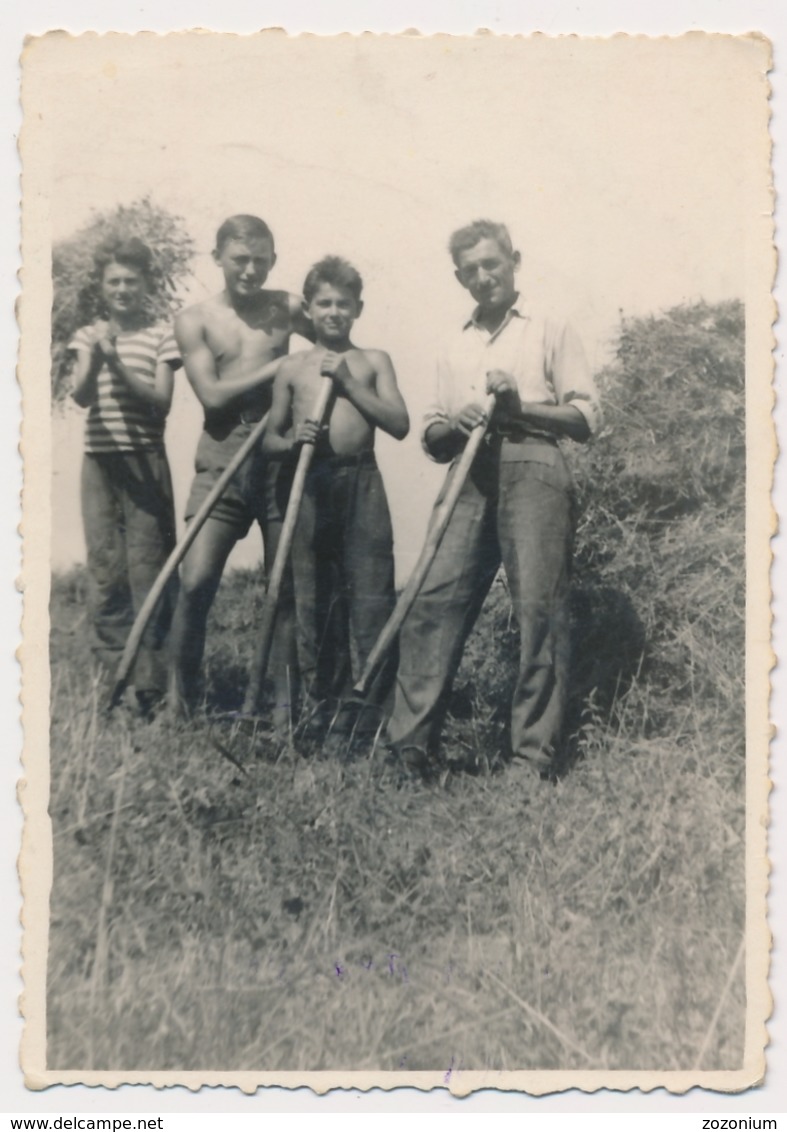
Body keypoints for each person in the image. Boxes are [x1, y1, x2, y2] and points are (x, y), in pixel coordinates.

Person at [386, 219, 602, 780]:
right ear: (459, 277)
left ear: (514, 261)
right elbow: (431, 436)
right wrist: (454, 425)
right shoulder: (453, 340)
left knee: (538, 610)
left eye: (493, 264)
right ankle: (409, 748)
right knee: (431, 602)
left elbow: (584, 417)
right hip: (467, 471)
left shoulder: (549, 326)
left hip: (534, 463)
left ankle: (531, 759)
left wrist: (518, 406)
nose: (484, 278)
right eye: (472, 270)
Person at [168, 215, 314, 724]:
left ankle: (282, 712)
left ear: (273, 259)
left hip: (280, 449)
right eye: (239, 260)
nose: (250, 270)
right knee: (196, 580)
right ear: (218, 259)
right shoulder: (195, 320)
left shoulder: (290, 306)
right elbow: (210, 394)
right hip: (223, 451)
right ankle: (180, 704)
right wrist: (278, 368)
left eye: (260, 260)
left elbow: (331, 345)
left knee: (284, 588)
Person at [263, 255, 409, 742]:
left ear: (358, 309)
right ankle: (325, 715)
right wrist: (293, 441)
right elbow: (269, 439)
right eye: (323, 303)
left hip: (361, 483)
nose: (333, 312)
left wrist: (347, 382)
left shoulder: (373, 361)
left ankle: (373, 721)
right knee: (317, 603)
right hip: (309, 485)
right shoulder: (290, 368)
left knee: (371, 599)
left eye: (343, 304)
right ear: (308, 308)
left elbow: (399, 423)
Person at [69, 236, 182, 714]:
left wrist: (117, 361)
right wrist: (97, 357)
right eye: (113, 281)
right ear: (101, 285)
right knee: (105, 570)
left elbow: (161, 402)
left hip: (145, 462)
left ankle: (150, 687)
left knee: (148, 569)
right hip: (100, 463)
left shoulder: (161, 335)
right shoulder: (87, 335)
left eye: (131, 281)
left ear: (145, 285)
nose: (122, 289)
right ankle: (111, 684)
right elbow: (80, 396)